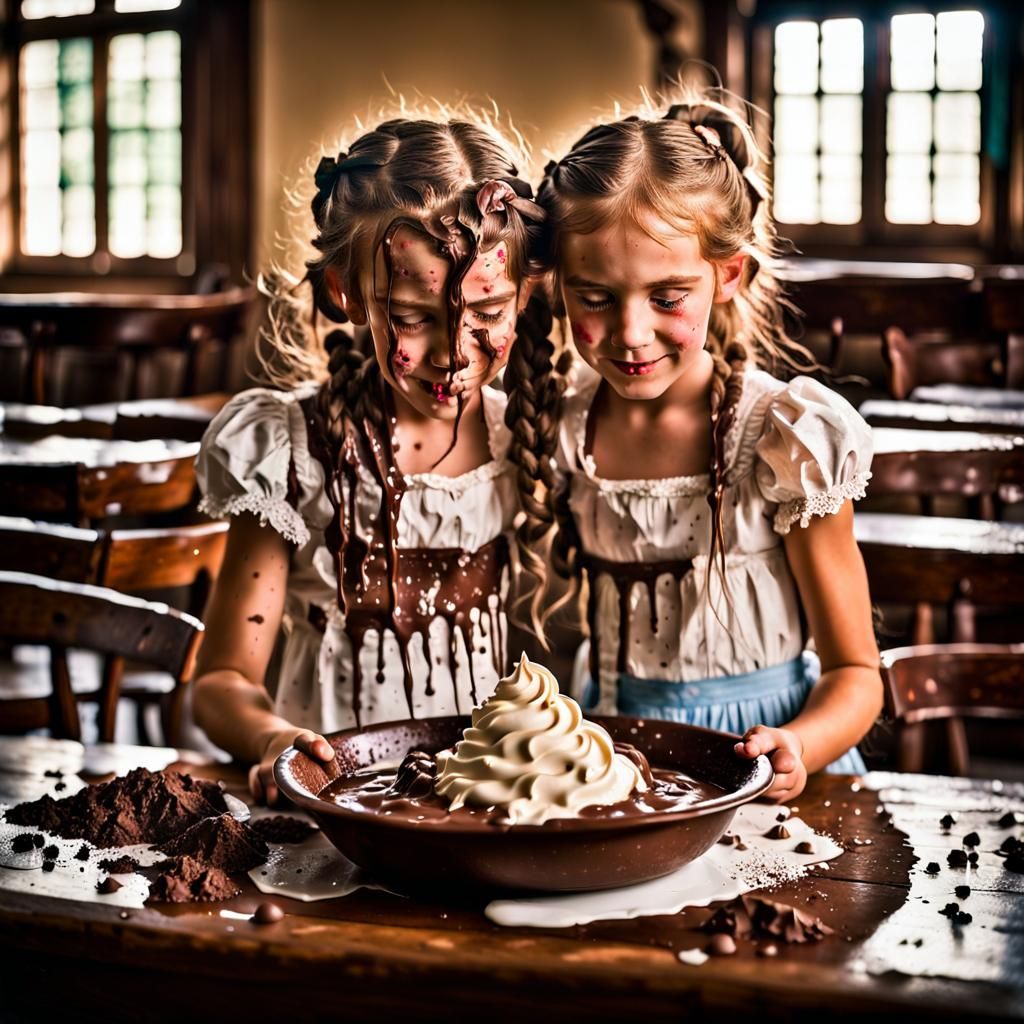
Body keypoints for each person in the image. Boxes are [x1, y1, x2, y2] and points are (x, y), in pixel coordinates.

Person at [192, 115, 558, 804]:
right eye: (414, 316)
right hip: (330, 814)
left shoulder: (529, 441)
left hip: (477, 816)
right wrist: (270, 737)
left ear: (525, 294)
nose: (455, 353)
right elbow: (220, 684)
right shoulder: (290, 453)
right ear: (347, 292)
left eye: (487, 313)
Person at [528, 89, 883, 801]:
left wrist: (800, 746)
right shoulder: (559, 428)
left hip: (758, 773)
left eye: (666, 297)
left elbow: (856, 673)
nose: (631, 332)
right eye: (594, 296)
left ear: (728, 276)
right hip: (613, 770)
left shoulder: (787, 441)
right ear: (558, 285)